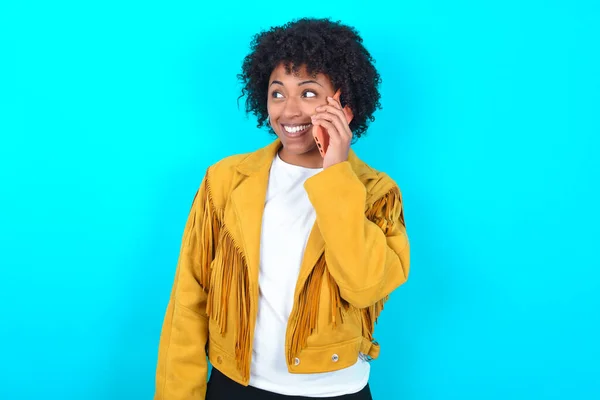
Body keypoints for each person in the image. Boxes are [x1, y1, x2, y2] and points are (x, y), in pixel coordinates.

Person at [154, 17, 410, 400]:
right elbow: (188, 302)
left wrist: (336, 174)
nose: (289, 111)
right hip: (234, 386)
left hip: (336, 391)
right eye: (278, 93)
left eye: (308, 93)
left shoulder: (376, 192)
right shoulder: (225, 180)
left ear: (345, 104)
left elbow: (364, 287)